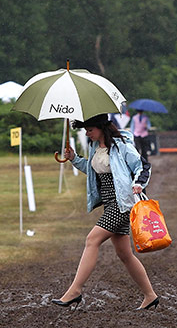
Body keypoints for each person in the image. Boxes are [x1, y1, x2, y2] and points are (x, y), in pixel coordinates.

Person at [53, 114, 158, 310]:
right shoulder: (95, 147)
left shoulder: (121, 145)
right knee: (124, 254)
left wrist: (138, 184)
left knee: (92, 240)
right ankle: (150, 295)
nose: (87, 133)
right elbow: (93, 169)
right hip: (109, 203)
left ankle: (75, 290)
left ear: (101, 128)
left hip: (122, 204)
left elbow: (142, 166)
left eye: (90, 130)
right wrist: (74, 158)